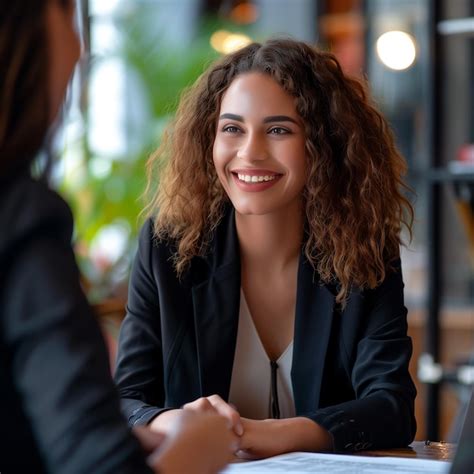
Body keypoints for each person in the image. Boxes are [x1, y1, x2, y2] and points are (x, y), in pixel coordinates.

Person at [115, 37, 417, 458]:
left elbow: (392, 408)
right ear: (210, 140)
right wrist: (177, 423)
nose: (250, 152)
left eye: (278, 130)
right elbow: (125, 400)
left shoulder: (364, 249)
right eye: (232, 129)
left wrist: (261, 434)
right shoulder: (167, 248)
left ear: (323, 146)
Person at [0, 0, 237, 472]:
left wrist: (128, 440)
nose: (80, 48)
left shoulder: (358, 254)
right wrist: (198, 448)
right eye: (69, 16)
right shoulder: (22, 219)